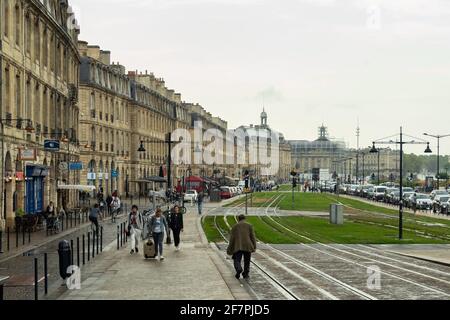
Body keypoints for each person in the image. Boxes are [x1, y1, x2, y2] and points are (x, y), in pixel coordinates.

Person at [227, 214, 257, 280]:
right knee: (247, 261)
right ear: (244, 219)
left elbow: (232, 238)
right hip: (248, 246)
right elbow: (252, 237)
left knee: (236, 259)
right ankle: (246, 274)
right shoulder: (249, 226)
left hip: (238, 246)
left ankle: (239, 268)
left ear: (238, 219)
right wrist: (254, 246)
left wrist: (230, 248)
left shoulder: (235, 226)